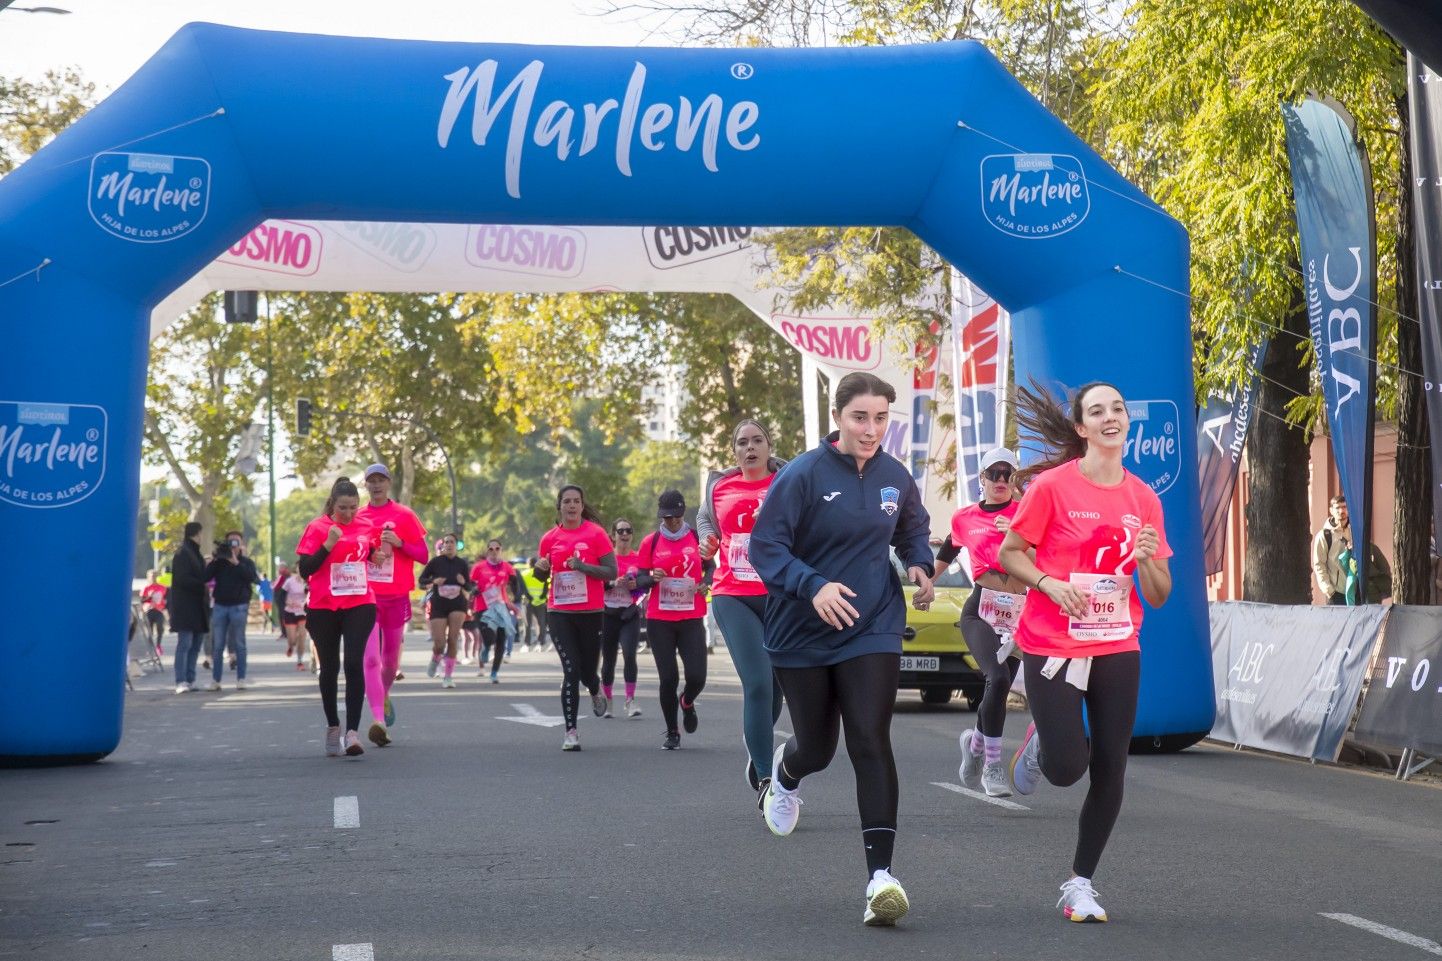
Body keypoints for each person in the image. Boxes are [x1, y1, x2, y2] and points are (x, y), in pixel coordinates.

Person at [749, 371, 934, 927]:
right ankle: (784, 773)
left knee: (870, 739)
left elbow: (912, 528)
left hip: (871, 622)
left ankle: (881, 879)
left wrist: (921, 562)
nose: (871, 428)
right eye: (860, 417)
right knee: (818, 747)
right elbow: (767, 547)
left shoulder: (895, 476)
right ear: (838, 418)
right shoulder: (803, 475)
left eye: (881, 418)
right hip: (800, 630)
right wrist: (814, 585)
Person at [997, 381, 1173, 924]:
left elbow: (1161, 594)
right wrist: (1048, 584)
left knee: (1112, 768)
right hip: (1052, 642)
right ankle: (1042, 748)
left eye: (1118, 407)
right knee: (1068, 769)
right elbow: (1011, 554)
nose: (1110, 417)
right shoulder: (1051, 488)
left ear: (1126, 420)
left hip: (1118, 641)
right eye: (1097, 411)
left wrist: (1146, 561)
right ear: (1082, 428)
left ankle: (1080, 883)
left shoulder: (1143, 497)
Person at [697, 419, 787, 797]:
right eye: (741, 443)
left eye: (757, 441)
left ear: (769, 446)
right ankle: (767, 779)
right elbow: (705, 519)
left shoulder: (787, 482)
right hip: (732, 594)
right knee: (758, 683)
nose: (749, 448)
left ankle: (758, 747)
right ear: (734, 451)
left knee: (779, 688)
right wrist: (707, 539)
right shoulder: (720, 486)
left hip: (781, 596)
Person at [935, 447, 1025, 798]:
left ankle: (975, 743)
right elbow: (948, 551)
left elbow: (1048, 556)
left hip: (1019, 614)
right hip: (980, 609)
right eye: (994, 473)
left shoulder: (1027, 513)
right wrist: (927, 582)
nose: (1001, 480)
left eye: (1008, 474)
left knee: (998, 688)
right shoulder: (965, 517)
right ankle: (992, 765)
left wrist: (1017, 531)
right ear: (982, 479)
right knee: (998, 676)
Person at [297, 476, 379, 758]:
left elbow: (369, 552)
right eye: (343, 508)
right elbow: (305, 569)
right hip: (323, 606)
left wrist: (376, 557)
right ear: (332, 504)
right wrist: (328, 545)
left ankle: (353, 732)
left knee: (354, 662)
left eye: (354, 508)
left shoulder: (366, 526)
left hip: (359, 601)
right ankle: (333, 724)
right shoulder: (317, 528)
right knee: (329, 668)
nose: (348, 514)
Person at [536, 484, 617, 751]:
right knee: (570, 669)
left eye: (576, 501)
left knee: (587, 672)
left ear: (582, 506)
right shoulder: (549, 538)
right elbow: (541, 575)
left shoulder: (596, 534)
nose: (571, 506)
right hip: (559, 612)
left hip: (591, 612)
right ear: (559, 506)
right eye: (566, 501)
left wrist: (582, 566)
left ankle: (594, 689)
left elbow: (610, 572)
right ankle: (571, 732)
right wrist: (539, 569)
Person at [357, 464, 430, 747]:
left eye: (381, 480)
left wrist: (399, 543)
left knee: (390, 662)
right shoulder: (359, 517)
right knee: (371, 659)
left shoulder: (404, 515)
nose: (376, 485)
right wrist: (368, 556)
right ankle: (377, 721)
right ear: (366, 486)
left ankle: (383, 695)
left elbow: (423, 555)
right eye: (371, 481)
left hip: (397, 596)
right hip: (366, 596)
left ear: (388, 483)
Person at [635, 491, 712, 750]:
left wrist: (706, 583)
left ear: (683, 513)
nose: (673, 522)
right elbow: (639, 580)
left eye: (677, 517)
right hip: (660, 620)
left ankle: (687, 702)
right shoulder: (651, 542)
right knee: (668, 678)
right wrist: (651, 577)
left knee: (697, 676)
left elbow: (711, 567)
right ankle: (672, 732)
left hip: (691, 617)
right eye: (667, 518)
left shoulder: (696, 537)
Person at [204, 530, 261, 691]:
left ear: (241, 544)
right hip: (220, 605)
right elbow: (205, 577)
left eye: (236, 542)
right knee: (218, 644)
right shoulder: (219, 563)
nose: (233, 545)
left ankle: (241, 678)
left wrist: (235, 561)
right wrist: (215, 559)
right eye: (230, 542)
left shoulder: (246, 562)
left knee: (239, 643)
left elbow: (252, 578)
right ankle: (216, 680)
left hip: (239, 606)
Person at [600, 518, 644, 718]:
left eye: (628, 530)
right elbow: (595, 584)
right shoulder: (607, 559)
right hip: (608, 614)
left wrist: (637, 586)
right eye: (621, 531)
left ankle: (630, 700)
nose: (625, 535)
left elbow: (647, 585)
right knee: (609, 659)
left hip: (629, 613)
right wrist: (612, 583)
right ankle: (608, 701)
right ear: (613, 535)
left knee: (629, 654)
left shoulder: (639, 558)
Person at [418, 533, 472, 698]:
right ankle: (436, 658)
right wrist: (434, 581)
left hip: (457, 604)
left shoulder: (462, 563)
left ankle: (448, 677)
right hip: (439, 604)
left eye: (452, 542)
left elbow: (471, 587)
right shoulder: (435, 562)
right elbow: (421, 580)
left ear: (456, 545)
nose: (448, 545)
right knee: (440, 642)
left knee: (453, 639)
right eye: (446, 542)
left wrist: (463, 582)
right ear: (442, 546)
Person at [168, 522, 210, 694]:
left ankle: (190, 678)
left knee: (195, 644)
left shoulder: (195, 553)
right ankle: (181, 680)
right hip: (185, 606)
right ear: (196, 534)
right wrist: (202, 584)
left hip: (197, 606)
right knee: (185, 643)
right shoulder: (183, 554)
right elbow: (183, 579)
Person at [471, 539, 520, 684]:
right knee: (489, 637)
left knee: (500, 640)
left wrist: (515, 598)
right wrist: (474, 590)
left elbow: (514, 583)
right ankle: (486, 647)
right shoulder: (479, 567)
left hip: (500, 607)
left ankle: (494, 673)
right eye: (491, 549)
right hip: (482, 607)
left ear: (501, 550)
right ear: (487, 551)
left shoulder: (507, 567)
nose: (494, 551)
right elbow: (469, 583)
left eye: (497, 548)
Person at [1311, 496, 1352, 605]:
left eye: (1344, 507)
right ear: (1331, 510)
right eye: (1338, 507)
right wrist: (1329, 590)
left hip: (1356, 591)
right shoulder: (1324, 535)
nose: (1341, 511)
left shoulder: (1355, 531)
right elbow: (1319, 564)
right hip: (1336, 594)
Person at [277, 564, 311, 672]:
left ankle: (299, 661)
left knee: (302, 636)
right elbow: (281, 595)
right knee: (292, 640)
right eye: (298, 568)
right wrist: (287, 602)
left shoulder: (308, 581)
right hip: (290, 612)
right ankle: (291, 646)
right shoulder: (290, 581)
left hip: (303, 612)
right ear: (296, 570)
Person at [1337, 540, 1393, 605]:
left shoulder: (1370, 549)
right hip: (1364, 591)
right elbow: (1385, 569)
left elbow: (1385, 569)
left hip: (1366, 591)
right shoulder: (1351, 553)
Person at [519, 557, 550, 651]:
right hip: (540, 601)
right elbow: (547, 585)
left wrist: (528, 596)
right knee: (541, 623)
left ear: (528, 564)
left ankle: (526, 644)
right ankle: (541, 643)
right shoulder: (541, 572)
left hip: (527, 601)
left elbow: (521, 587)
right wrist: (543, 596)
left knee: (527, 624)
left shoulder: (524, 573)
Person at [139, 570, 168, 658]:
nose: (153, 578)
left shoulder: (162, 587)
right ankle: (150, 648)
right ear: (148, 577)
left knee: (160, 628)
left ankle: (158, 645)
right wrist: (149, 596)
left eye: (155, 576)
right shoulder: (146, 588)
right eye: (151, 576)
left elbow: (166, 599)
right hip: (149, 610)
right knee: (149, 631)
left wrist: (165, 605)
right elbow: (142, 600)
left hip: (159, 610)